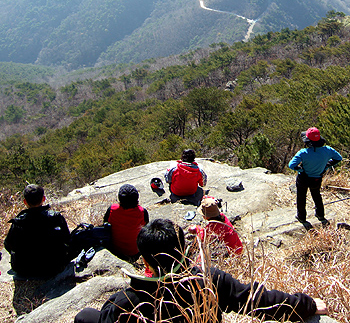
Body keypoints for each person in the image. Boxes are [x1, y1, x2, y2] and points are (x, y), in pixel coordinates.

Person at [74, 218, 327, 323]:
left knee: (85, 316)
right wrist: (306, 305)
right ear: (184, 251)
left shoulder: (127, 302)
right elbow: (256, 299)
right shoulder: (208, 281)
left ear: (144, 260)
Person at [4, 184, 70, 278]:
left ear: (25, 202)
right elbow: (67, 239)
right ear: (43, 199)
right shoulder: (55, 217)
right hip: (53, 267)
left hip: (25, 270)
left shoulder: (19, 222)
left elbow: (8, 245)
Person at [288, 127, 342, 225]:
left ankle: (301, 217)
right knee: (316, 195)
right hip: (317, 178)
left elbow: (291, 165)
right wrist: (326, 166)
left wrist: (300, 169)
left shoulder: (303, 153)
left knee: (301, 197)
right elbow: (339, 158)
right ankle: (320, 215)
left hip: (303, 178)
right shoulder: (328, 150)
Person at [103, 184, 149, 260]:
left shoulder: (112, 209)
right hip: (135, 253)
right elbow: (145, 230)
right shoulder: (142, 212)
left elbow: (105, 224)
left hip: (115, 251)